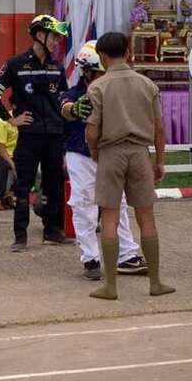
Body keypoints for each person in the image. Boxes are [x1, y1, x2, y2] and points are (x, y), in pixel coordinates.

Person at [85, 31, 174, 300]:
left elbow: (92, 130)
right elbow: (159, 128)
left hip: (110, 153)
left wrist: (94, 151)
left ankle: (110, 287)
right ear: (128, 52)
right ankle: (155, 282)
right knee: (146, 217)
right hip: (139, 154)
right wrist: (160, 161)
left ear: (102, 56)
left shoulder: (97, 87)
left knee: (109, 218)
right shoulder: (147, 84)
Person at [0, 14, 73, 252]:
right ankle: (20, 237)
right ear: (39, 35)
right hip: (29, 136)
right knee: (23, 186)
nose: (56, 41)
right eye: (53, 36)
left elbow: (63, 100)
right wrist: (10, 119)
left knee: (54, 185)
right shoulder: (15, 64)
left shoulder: (57, 66)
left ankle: (52, 232)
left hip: (55, 135)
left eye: (58, 38)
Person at [62, 40, 147, 281]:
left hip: (111, 154)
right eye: (101, 73)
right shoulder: (75, 95)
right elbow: (65, 107)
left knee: (118, 204)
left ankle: (127, 256)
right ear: (87, 72)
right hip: (81, 155)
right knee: (84, 205)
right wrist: (74, 110)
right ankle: (90, 258)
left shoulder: (118, 92)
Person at [0, 115, 21, 211]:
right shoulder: (3, 122)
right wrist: (12, 164)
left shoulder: (27, 121)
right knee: (2, 167)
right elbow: (0, 148)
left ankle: (11, 193)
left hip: (13, 153)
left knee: (26, 166)